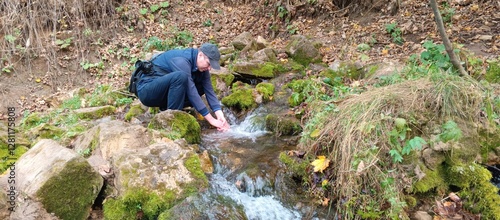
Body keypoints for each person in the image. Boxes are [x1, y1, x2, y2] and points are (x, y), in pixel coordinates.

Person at [136, 43, 230, 132]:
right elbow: (191, 91)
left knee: (200, 85)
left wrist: (220, 116)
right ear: (200, 55)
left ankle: (167, 110)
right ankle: (172, 120)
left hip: (163, 91)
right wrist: (211, 120)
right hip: (147, 90)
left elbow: (209, 90)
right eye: (209, 64)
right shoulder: (181, 60)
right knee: (180, 77)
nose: (209, 68)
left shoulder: (202, 68)